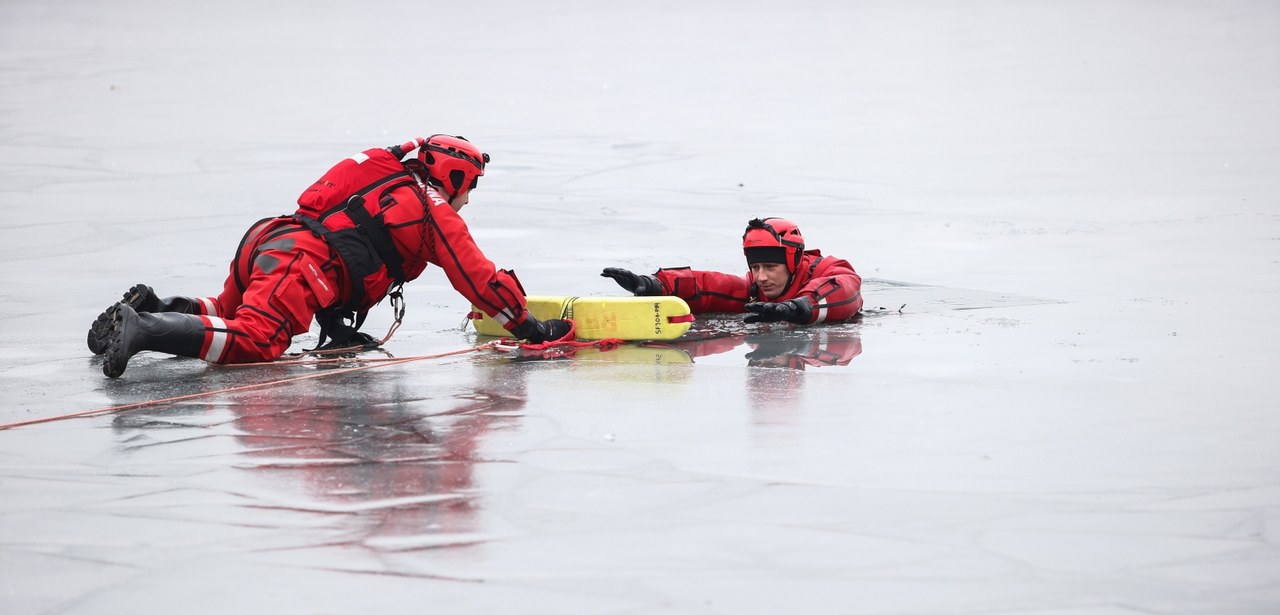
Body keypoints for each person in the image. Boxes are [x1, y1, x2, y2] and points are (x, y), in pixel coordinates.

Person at [88, 134, 571, 378]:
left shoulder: (382, 169)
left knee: (227, 310)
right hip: (302, 264)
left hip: (270, 239)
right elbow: (478, 279)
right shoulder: (431, 212)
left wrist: (335, 324)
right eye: (472, 187)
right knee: (257, 340)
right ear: (456, 177)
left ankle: (157, 305)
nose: (469, 199)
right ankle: (143, 328)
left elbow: (350, 234)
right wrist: (532, 329)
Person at [600, 217, 863, 324]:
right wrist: (654, 285)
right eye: (755, 267)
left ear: (793, 262)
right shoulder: (755, 289)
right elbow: (711, 287)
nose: (761, 277)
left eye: (771, 267)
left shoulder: (827, 270)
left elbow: (846, 288)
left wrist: (797, 308)